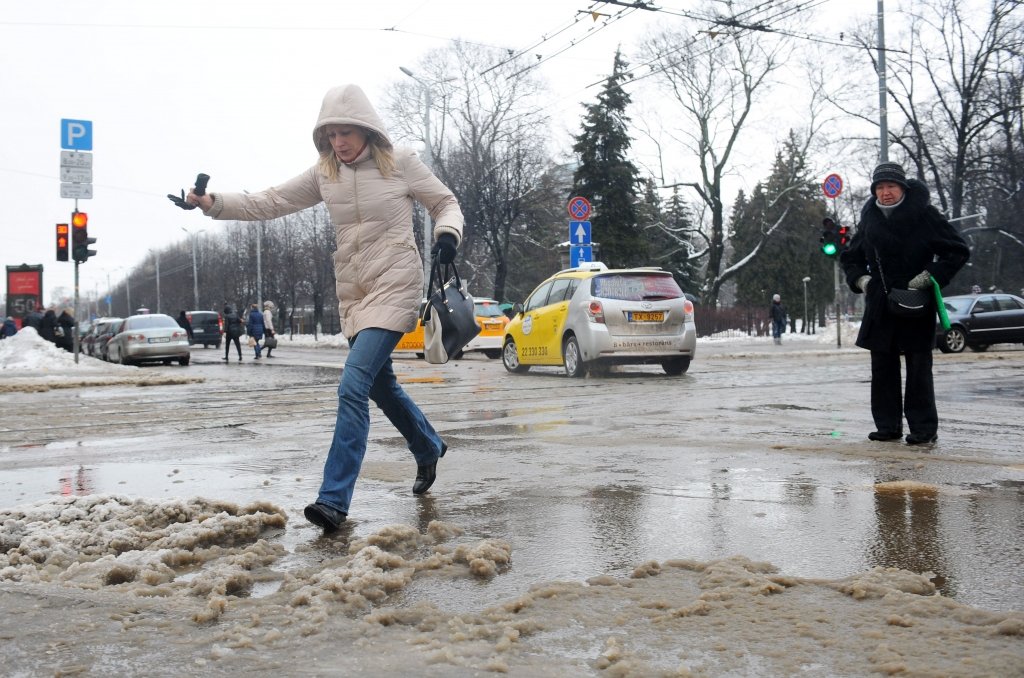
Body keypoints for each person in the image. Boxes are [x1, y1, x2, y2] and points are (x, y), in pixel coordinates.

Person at [184, 84, 463, 531]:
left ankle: (333, 500)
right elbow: (269, 201)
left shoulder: (401, 164)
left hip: (395, 284)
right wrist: (214, 204)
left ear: (367, 130)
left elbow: (444, 202)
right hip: (354, 293)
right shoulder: (324, 174)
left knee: (352, 386)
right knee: (381, 385)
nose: (338, 142)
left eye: (346, 132)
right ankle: (427, 445)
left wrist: (447, 233)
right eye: (330, 134)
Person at [840, 162, 970, 446]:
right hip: (880, 302)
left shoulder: (925, 216)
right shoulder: (870, 219)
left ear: (903, 188)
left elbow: (957, 251)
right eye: (880, 187)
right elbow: (850, 257)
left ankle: (923, 428)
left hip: (915, 300)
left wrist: (928, 277)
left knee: (918, 367)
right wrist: (863, 281)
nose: (885, 193)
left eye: (891, 186)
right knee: (882, 367)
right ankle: (887, 426)